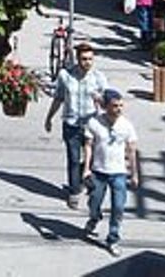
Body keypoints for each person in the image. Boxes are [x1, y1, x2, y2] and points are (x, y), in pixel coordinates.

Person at [44, 42, 109, 208]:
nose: (87, 62)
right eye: (84, 59)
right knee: (73, 158)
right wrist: (49, 117)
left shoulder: (98, 77)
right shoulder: (66, 75)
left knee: (93, 158)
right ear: (77, 59)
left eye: (90, 59)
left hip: (92, 125)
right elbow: (58, 97)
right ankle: (74, 191)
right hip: (71, 123)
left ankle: (81, 177)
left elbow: (109, 102)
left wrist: (101, 101)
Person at [83, 89, 139, 257]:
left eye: (121, 106)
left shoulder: (126, 125)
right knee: (94, 202)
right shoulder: (94, 123)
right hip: (99, 171)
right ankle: (94, 217)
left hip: (118, 173)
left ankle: (113, 238)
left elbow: (132, 150)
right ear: (106, 106)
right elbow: (88, 146)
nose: (119, 109)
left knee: (119, 207)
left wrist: (134, 173)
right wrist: (86, 168)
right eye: (115, 106)